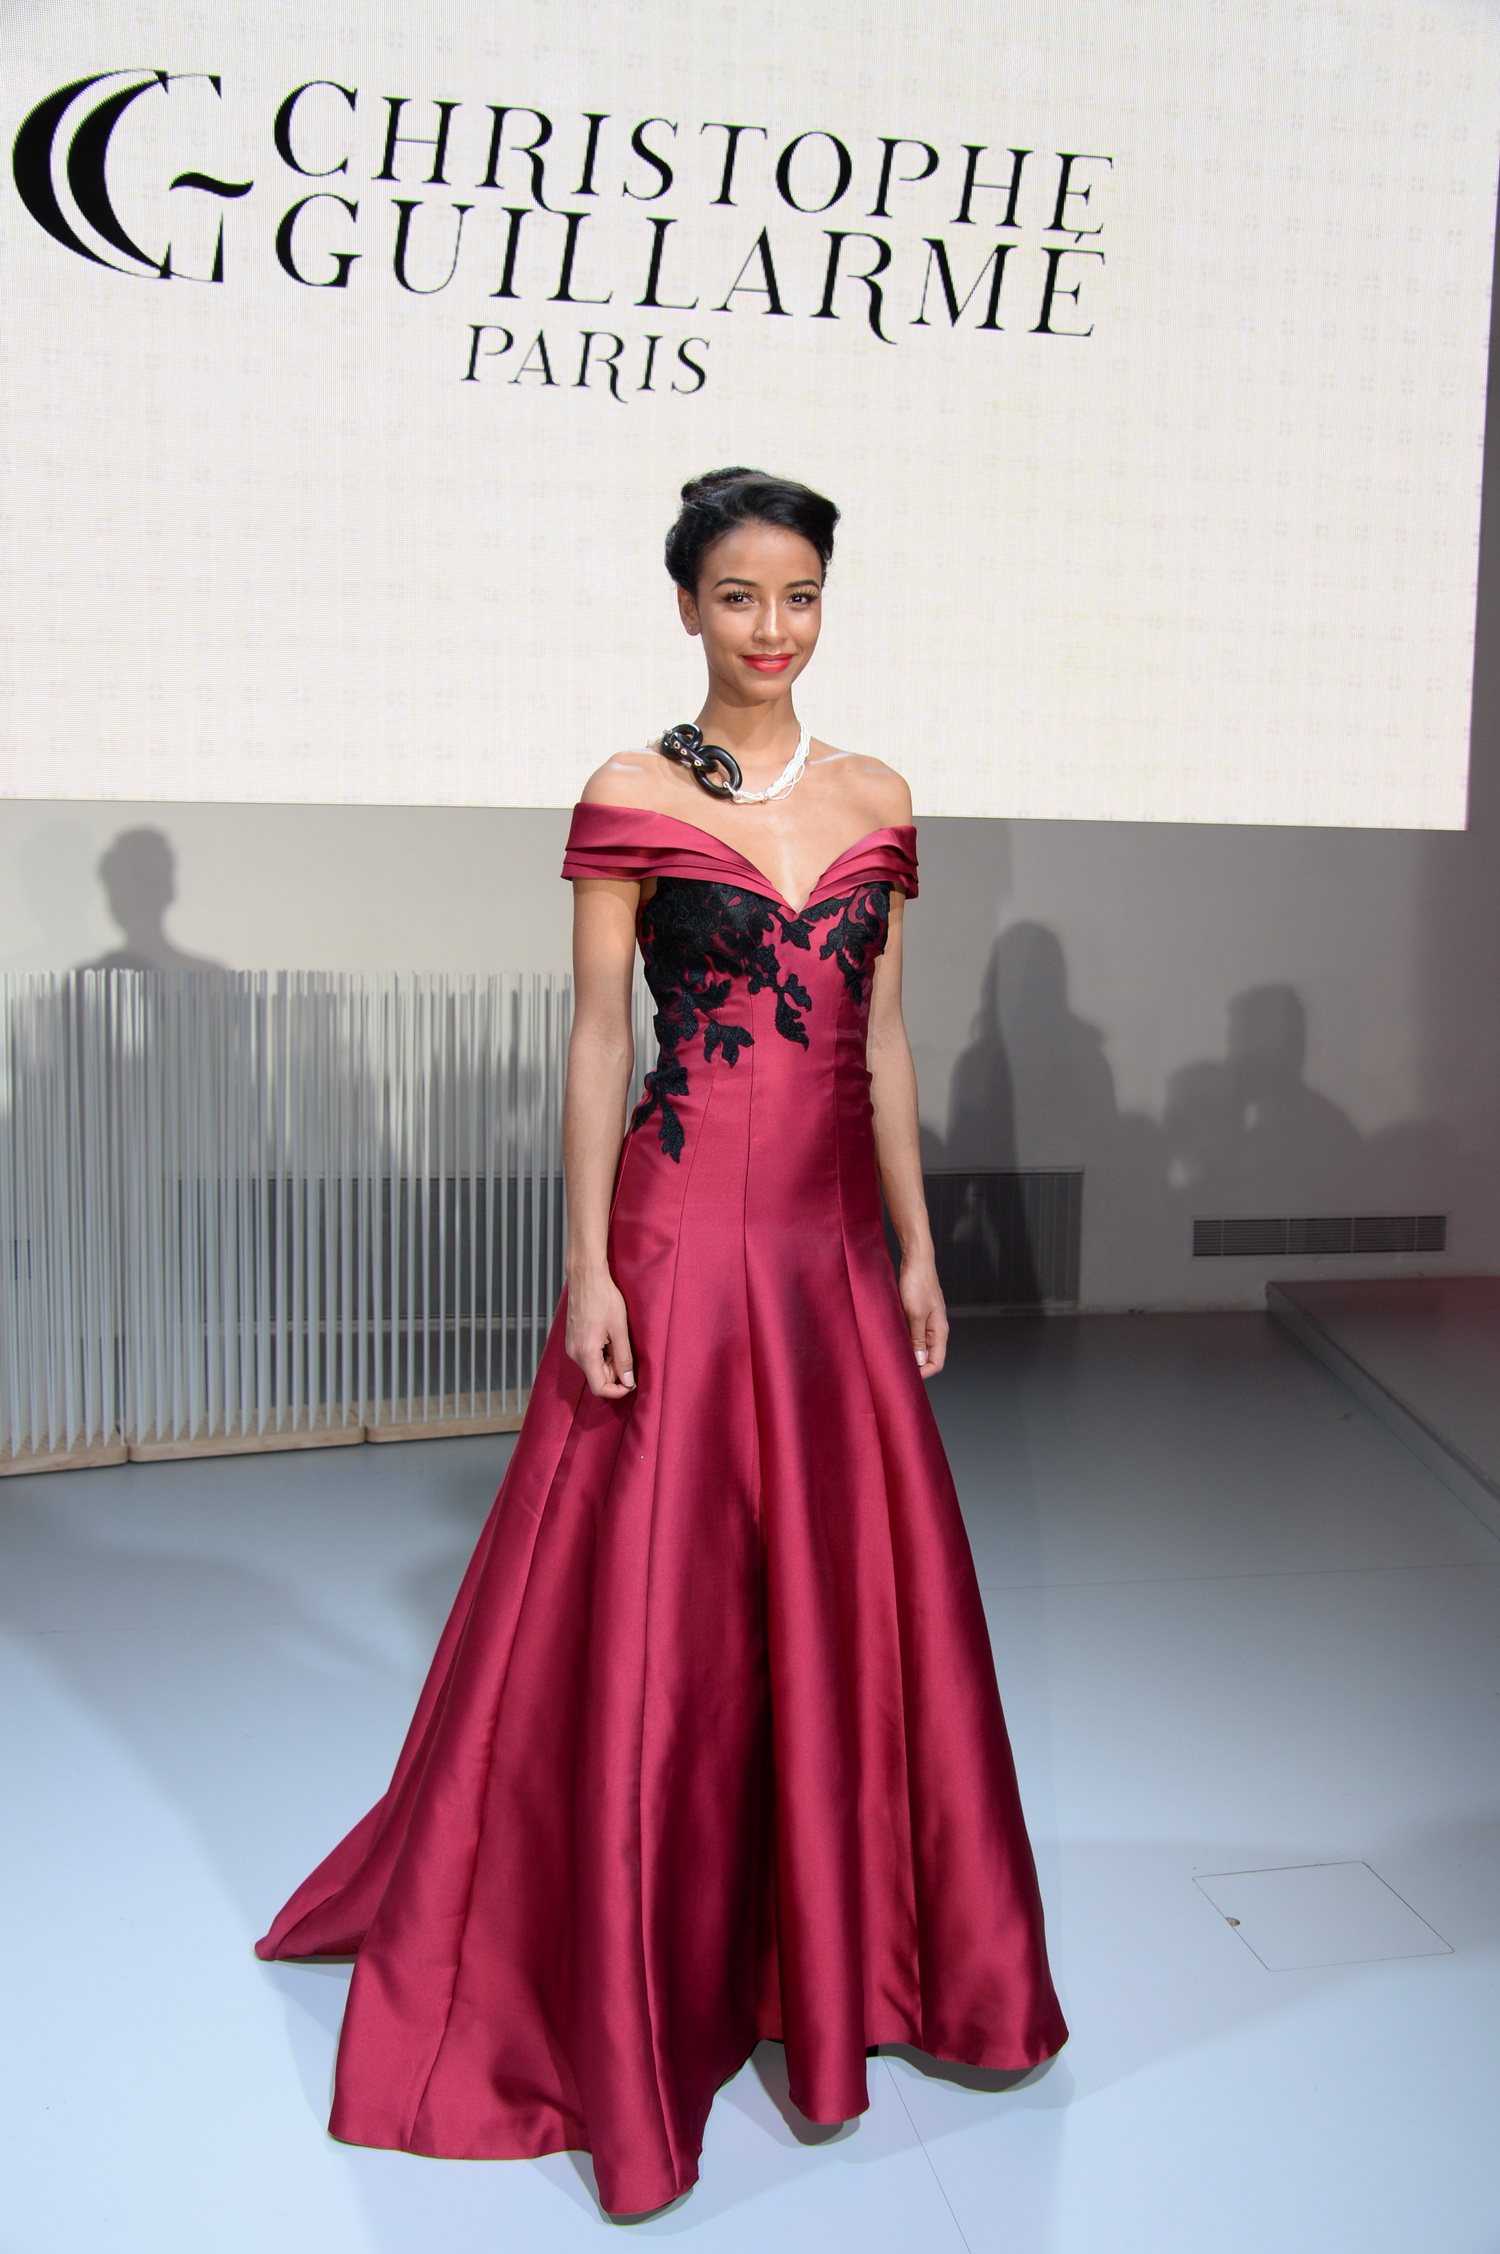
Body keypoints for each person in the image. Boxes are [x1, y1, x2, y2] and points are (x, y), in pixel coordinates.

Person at [257, 468, 1067, 2218]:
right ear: (688, 605)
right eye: (740, 595)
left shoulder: (880, 797)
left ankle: (851, 1953)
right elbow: (594, 1038)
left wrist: (920, 1244)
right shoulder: (630, 791)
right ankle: (644, 1983)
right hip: (681, 1243)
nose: (773, 627)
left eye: (800, 594)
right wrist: (586, 1265)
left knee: (851, 1605)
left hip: (829, 1260)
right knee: (663, 1626)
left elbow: (886, 1042)